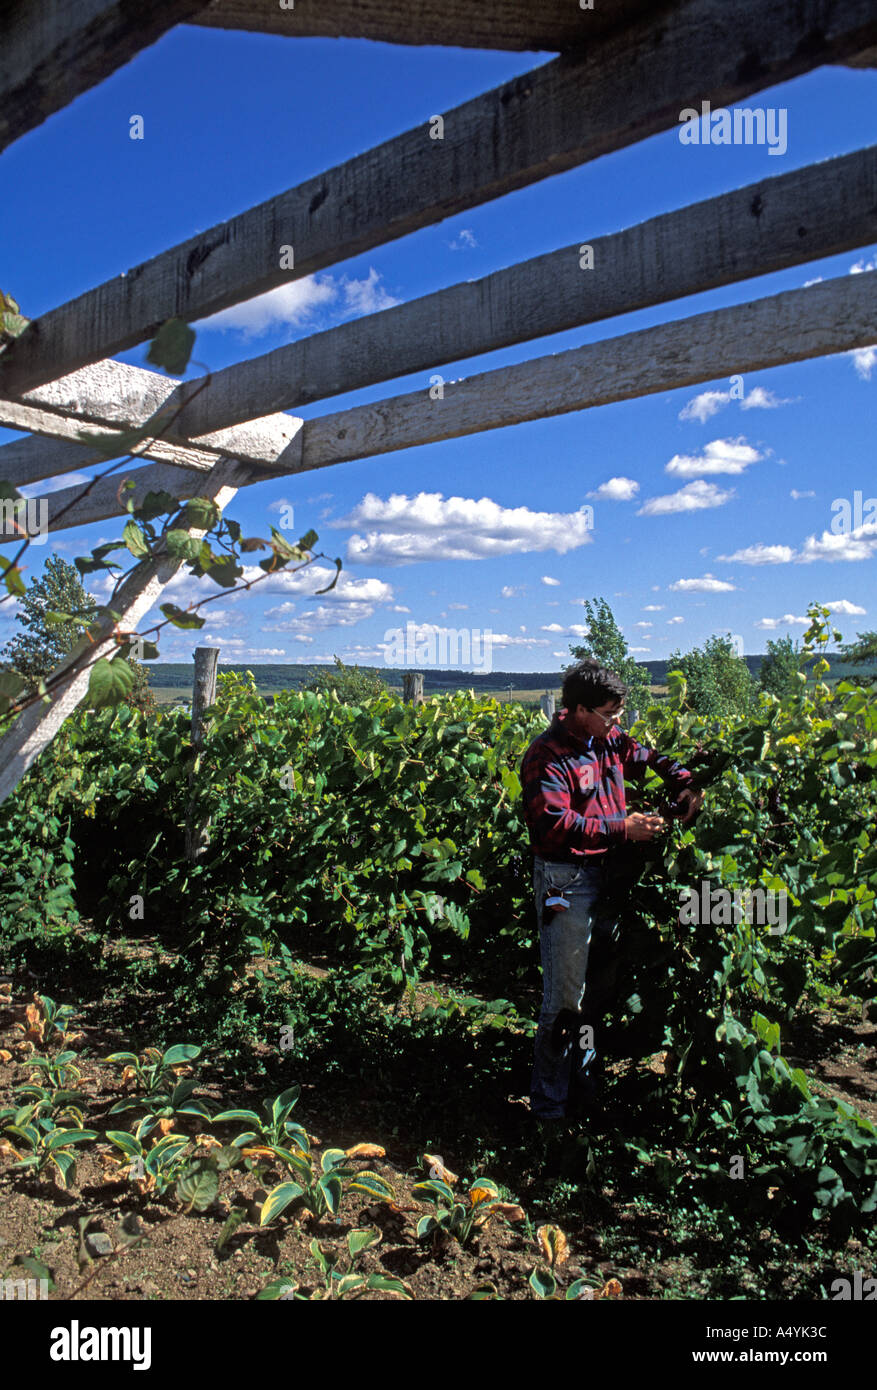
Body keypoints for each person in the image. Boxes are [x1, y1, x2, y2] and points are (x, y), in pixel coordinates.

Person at [520, 659, 703, 1124]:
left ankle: (582, 1088)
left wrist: (684, 784)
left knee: (594, 992)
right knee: (564, 997)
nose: (617, 723)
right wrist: (625, 828)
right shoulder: (547, 757)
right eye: (609, 714)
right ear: (579, 709)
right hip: (567, 882)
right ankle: (548, 1109)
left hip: (609, 877)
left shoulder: (607, 739)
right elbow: (555, 825)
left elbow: (648, 756)